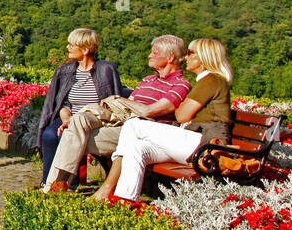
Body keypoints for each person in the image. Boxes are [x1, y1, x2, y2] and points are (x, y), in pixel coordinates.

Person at [41, 34, 191, 191]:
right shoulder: (147, 80)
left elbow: (150, 111)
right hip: (123, 122)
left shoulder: (180, 85)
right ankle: (56, 186)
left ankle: (55, 187)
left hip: (142, 131)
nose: (149, 55)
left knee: (73, 136)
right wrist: (120, 103)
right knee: (78, 122)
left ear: (170, 58)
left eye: (154, 53)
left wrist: (120, 100)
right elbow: (129, 108)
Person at [92, 38, 234, 203]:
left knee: (134, 125)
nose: (186, 57)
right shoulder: (208, 81)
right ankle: (125, 200)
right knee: (137, 148)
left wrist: (182, 108)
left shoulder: (211, 81)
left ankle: (108, 187)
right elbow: (182, 111)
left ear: (204, 57)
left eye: (190, 53)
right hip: (197, 143)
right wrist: (183, 107)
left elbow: (181, 116)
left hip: (207, 146)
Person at [34, 29, 126, 186]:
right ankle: (46, 182)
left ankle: (68, 183)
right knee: (49, 136)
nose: (68, 48)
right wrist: (66, 118)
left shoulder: (106, 70)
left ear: (85, 50)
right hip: (69, 117)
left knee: (67, 137)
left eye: (72, 45)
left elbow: (112, 101)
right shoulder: (65, 71)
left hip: (94, 120)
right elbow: (63, 103)